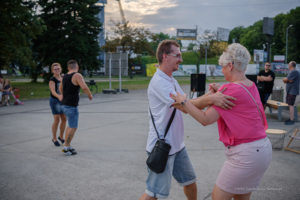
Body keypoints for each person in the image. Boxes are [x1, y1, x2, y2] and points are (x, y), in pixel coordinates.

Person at [171, 43, 272, 200]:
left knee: (217, 197)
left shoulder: (230, 89)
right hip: (262, 150)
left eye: (223, 67)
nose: (222, 70)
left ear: (230, 65)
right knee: (241, 197)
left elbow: (205, 119)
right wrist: (215, 95)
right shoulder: (250, 85)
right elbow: (239, 105)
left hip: (245, 154)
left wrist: (183, 102)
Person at [139, 39, 236, 200]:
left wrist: (209, 95)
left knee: (190, 182)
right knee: (154, 194)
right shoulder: (159, 83)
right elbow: (184, 107)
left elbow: (187, 104)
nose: (181, 59)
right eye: (177, 55)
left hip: (177, 146)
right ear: (165, 56)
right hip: (162, 147)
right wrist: (212, 100)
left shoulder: (171, 80)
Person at [59, 60, 93, 155]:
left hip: (64, 104)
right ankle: (66, 147)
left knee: (70, 125)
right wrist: (89, 95)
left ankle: (66, 144)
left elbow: (60, 88)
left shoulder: (64, 76)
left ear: (68, 68)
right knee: (73, 126)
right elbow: (85, 87)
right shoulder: (77, 75)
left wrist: (62, 95)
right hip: (71, 105)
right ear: (77, 67)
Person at [49, 63, 67, 146]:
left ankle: (61, 137)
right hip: (55, 100)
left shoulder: (63, 77)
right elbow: (53, 91)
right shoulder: (52, 79)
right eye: (55, 69)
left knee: (64, 119)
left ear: (60, 69)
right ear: (52, 70)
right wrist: (59, 96)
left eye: (58, 68)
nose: (57, 70)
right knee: (57, 120)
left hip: (62, 100)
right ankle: (54, 138)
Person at [283, 61, 300, 125]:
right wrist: (286, 79)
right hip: (290, 91)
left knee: (291, 105)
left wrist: (286, 79)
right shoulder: (292, 72)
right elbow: (286, 80)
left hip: (292, 91)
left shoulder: (295, 71)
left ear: (291, 65)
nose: (288, 65)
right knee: (289, 104)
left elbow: (287, 79)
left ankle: (291, 120)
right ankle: (290, 118)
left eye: (289, 64)